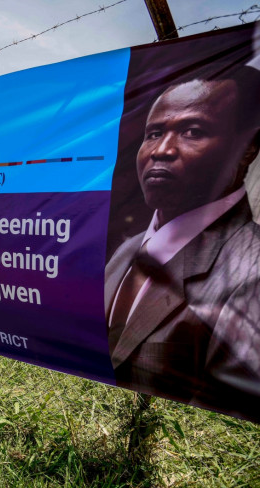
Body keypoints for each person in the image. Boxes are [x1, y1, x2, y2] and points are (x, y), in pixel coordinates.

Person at [105, 72, 260, 421]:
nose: (162, 150)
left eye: (193, 132)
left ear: (247, 148)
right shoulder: (126, 253)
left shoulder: (252, 271)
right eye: (154, 133)